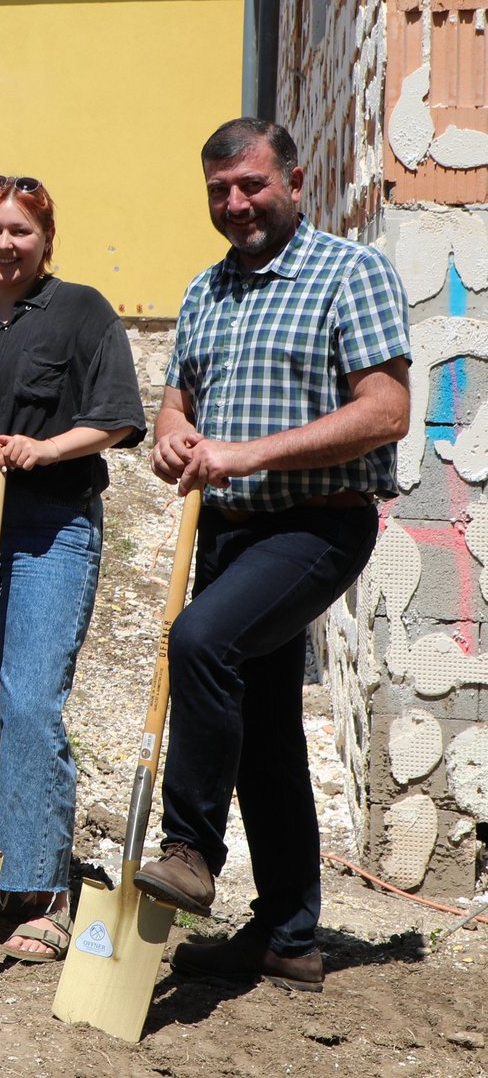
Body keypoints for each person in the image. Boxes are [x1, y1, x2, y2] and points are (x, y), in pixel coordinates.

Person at [133, 119, 409, 992]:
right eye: (219, 189)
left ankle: (190, 849)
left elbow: (387, 411)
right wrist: (175, 434)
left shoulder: (349, 272)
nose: (235, 203)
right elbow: (178, 401)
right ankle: (290, 935)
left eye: (251, 184)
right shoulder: (206, 290)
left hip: (316, 525)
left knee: (199, 642)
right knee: (265, 734)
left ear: (294, 179)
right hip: (229, 531)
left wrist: (245, 451)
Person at [0, 175, 146, 961]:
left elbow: (117, 414)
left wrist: (45, 449)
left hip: (53, 524)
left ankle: (43, 887)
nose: (4, 244)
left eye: (20, 231)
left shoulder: (82, 312)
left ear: (47, 239)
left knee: (31, 696)